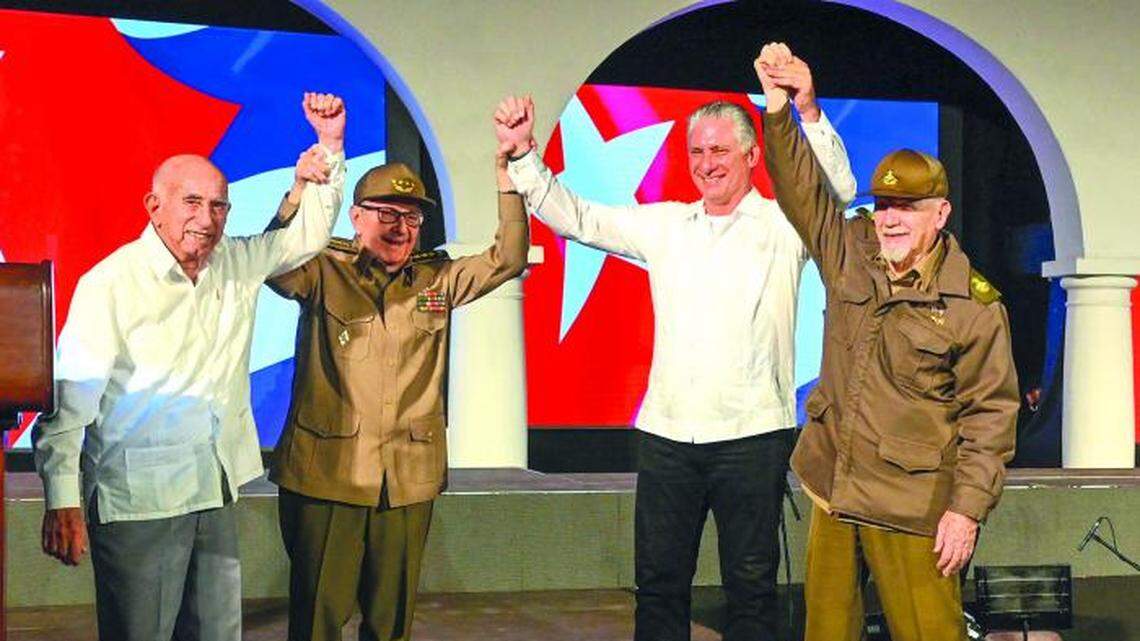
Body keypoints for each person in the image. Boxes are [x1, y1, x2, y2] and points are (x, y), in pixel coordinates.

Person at [494, 89, 856, 640]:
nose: (706, 164)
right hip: (666, 438)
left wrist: (807, 112)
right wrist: (522, 157)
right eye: (696, 153)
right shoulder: (667, 225)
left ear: (752, 156)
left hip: (753, 437)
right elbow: (578, 218)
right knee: (660, 589)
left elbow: (837, 190)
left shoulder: (784, 225)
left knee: (751, 590)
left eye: (719, 152)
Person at [32, 92, 347, 641]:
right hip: (138, 502)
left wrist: (330, 145)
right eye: (192, 203)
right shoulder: (111, 284)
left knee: (218, 634)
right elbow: (70, 401)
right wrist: (62, 498)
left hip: (214, 488)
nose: (207, 219)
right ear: (154, 206)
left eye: (219, 206)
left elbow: (305, 238)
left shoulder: (234, 261)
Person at [755, 42, 1019, 641]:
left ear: (940, 213)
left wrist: (966, 511)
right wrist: (781, 112)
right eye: (883, 205)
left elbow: (991, 419)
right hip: (835, 490)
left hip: (914, 506)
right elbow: (802, 192)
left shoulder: (972, 307)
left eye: (908, 206)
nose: (891, 218)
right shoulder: (851, 252)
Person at [264, 144, 529, 641]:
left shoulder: (437, 279)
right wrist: (298, 192)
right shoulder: (324, 269)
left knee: (392, 624)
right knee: (318, 619)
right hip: (328, 478)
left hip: (406, 481)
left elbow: (508, 258)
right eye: (387, 214)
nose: (401, 227)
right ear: (357, 217)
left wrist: (507, 179)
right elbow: (273, 267)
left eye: (411, 217)